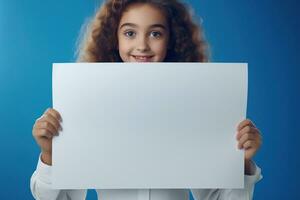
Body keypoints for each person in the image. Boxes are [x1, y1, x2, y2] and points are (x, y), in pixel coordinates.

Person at [30, 0, 263, 199]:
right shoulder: (85, 102)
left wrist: (238, 163)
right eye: (130, 33)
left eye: (155, 33)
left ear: (171, 39)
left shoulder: (196, 102)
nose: (142, 45)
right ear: (115, 39)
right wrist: (51, 155)